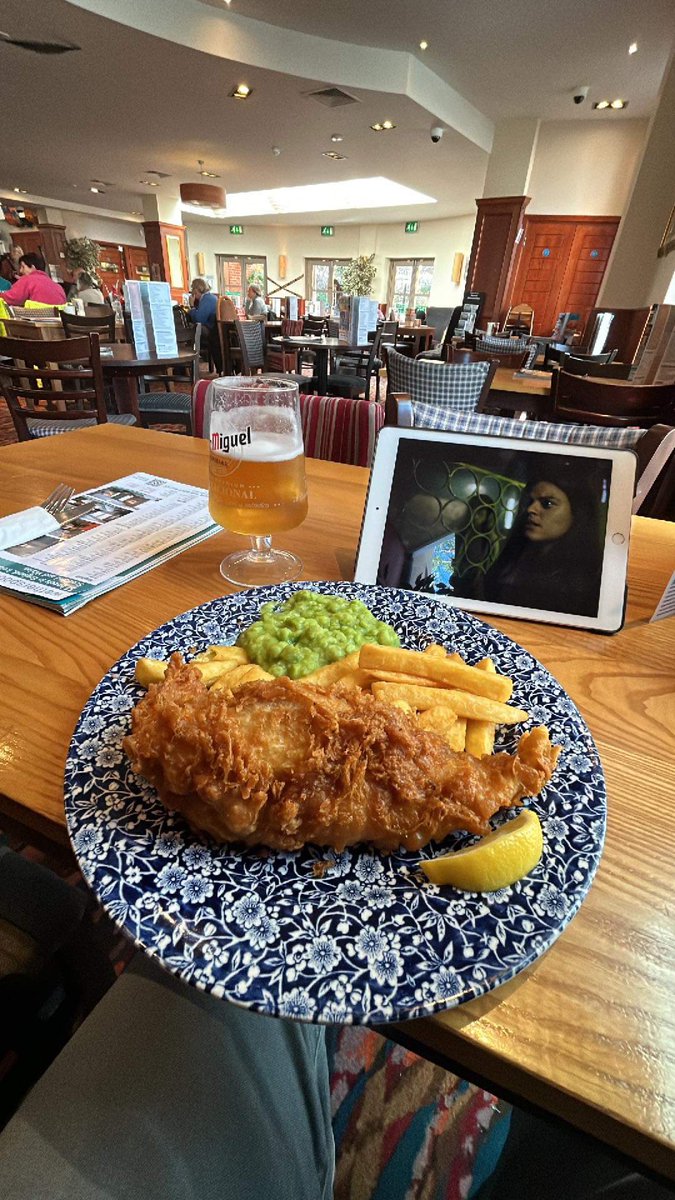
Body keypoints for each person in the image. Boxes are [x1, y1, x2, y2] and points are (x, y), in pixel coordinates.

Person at [479, 465, 607, 616]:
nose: (531, 509)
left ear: (576, 513)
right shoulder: (514, 558)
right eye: (529, 501)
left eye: (547, 504)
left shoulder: (588, 581)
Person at [0, 252, 67, 307]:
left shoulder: (28, 279)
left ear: (32, 267)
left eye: (23, 267)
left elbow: (11, 298)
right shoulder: (56, 285)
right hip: (58, 321)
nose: (20, 271)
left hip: (37, 319)